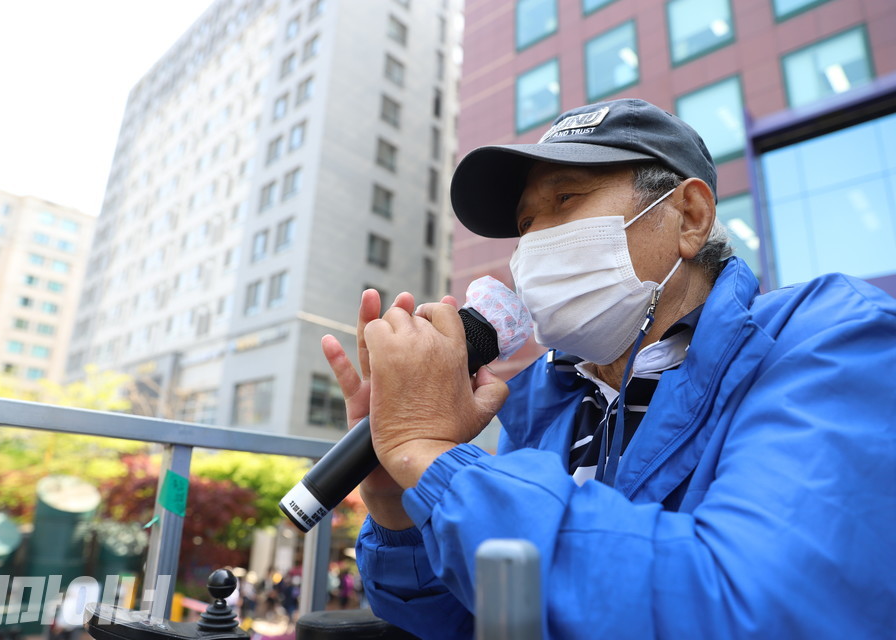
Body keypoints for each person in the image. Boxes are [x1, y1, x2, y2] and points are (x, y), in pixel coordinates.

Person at [320, 98, 896, 638]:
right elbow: (474, 623)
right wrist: (397, 495)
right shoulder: (542, 402)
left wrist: (433, 455)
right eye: (524, 224)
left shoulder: (829, 338)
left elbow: (755, 604)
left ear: (689, 217)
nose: (536, 241)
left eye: (566, 200)